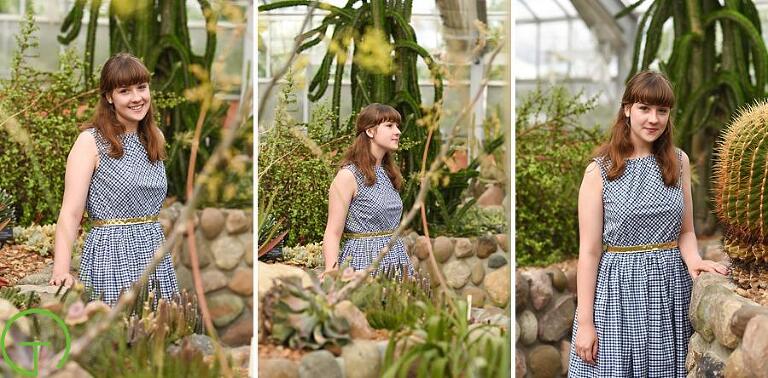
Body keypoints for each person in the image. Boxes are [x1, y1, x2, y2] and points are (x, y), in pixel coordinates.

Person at [568, 70, 728, 377]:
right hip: (617, 295)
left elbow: (686, 231)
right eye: (644, 108)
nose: (653, 118)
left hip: (670, 291)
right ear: (627, 109)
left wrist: (694, 259)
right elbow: (588, 253)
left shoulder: (678, 161)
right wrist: (586, 322)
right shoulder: (599, 171)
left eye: (662, 111)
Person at [49, 53, 179, 306]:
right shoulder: (90, 142)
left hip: (153, 252)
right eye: (124, 91)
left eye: (141, 87)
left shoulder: (155, 137)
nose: (137, 98)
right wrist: (61, 271)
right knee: (115, 337)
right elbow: (71, 212)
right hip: (110, 254)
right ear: (109, 96)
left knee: (155, 335)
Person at [320, 103, 414, 278]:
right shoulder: (348, 176)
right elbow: (333, 232)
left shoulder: (388, 174)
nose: (398, 132)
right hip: (363, 262)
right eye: (389, 126)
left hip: (396, 260)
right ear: (370, 131)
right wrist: (331, 272)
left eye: (397, 126)